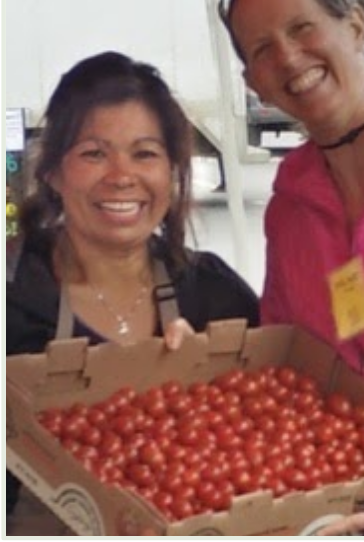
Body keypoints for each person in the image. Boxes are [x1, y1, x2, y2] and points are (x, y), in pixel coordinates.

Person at [6, 51, 259, 534]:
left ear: (171, 172)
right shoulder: (14, 301)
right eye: (94, 153)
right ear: (55, 172)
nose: (122, 175)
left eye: (145, 153)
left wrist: (206, 385)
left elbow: (270, 443)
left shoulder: (214, 295)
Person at [218, 0, 364, 536]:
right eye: (261, 50)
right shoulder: (290, 208)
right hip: (337, 512)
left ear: (355, 24)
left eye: (302, 27)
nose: (287, 56)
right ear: (254, 82)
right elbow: (291, 367)